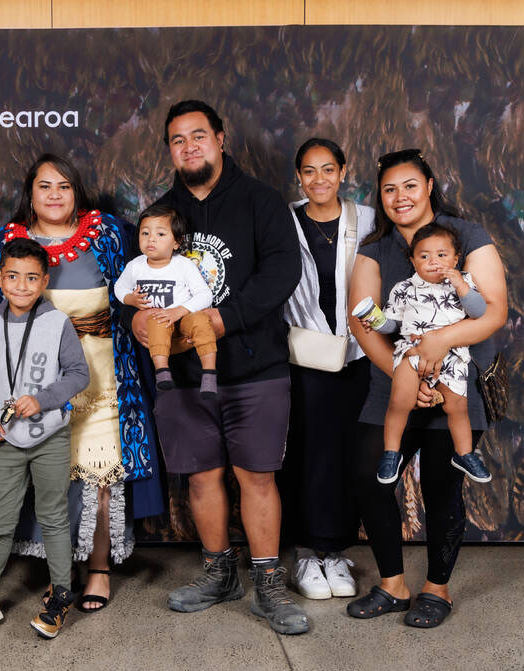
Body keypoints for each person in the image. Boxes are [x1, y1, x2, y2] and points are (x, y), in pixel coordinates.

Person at [130, 99, 308, 635]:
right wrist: (139, 321)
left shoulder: (260, 201)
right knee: (202, 478)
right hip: (184, 376)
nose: (189, 147)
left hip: (256, 369)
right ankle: (218, 574)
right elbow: (138, 289)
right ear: (170, 150)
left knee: (257, 476)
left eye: (198, 136)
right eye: (178, 140)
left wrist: (219, 320)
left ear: (221, 138)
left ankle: (268, 585)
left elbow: (282, 272)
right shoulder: (162, 216)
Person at [0, 153, 161, 613]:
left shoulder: (107, 234)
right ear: (30, 193)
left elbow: (136, 284)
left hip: (103, 374)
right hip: (38, 380)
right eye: (45, 186)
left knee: (102, 475)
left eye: (64, 186)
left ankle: (99, 568)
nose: (55, 195)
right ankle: (61, 574)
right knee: (53, 477)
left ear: (77, 191)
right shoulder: (7, 242)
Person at [346, 148, 508, 629]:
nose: (400, 197)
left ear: (430, 185)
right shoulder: (375, 251)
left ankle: (437, 589)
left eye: (410, 185)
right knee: (370, 476)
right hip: (396, 381)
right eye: (389, 189)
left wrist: (438, 344)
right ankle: (392, 585)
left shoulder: (467, 238)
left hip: (456, 379)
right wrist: (407, 374)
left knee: (442, 485)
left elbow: (492, 310)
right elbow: (365, 323)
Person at [0, 238, 89, 639]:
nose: (21, 286)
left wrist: (44, 400)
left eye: (32, 278)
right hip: (4, 440)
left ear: (44, 281)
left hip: (48, 437)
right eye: (12, 276)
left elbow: (79, 374)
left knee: (53, 517)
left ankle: (60, 594)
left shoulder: (57, 323)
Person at [281, 138, 373, 600]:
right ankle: (306, 554)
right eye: (309, 171)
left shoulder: (367, 219)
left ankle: (336, 552)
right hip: (304, 356)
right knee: (308, 454)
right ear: (299, 177)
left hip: (359, 355)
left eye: (328, 169)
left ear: (343, 171)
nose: (319, 179)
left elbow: (388, 284)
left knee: (350, 455)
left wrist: (379, 331)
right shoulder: (284, 220)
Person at [370, 223, 492, 485]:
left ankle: (464, 453)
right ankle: (391, 452)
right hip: (412, 352)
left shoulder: (464, 282)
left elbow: (479, 312)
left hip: (452, 356)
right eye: (424, 256)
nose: (433, 262)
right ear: (413, 261)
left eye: (441, 255)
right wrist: (377, 323)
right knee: (399, 401)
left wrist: (460, 284)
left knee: (457, 408)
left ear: (456, 259)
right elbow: (394, 325)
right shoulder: (404, 289)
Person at [114, 204, 217, 397]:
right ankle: (162, 372)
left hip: (183, 316)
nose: (151, 239)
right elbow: (119, 287)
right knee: (156, 320)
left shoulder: (183, 265)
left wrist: (179, 311)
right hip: (159, 319)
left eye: (160, 234)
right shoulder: (135, 266)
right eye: (145, 233)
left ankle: (209, 373)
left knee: (203, 322)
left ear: (176, 242)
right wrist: (131, 299)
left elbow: (204, 295)